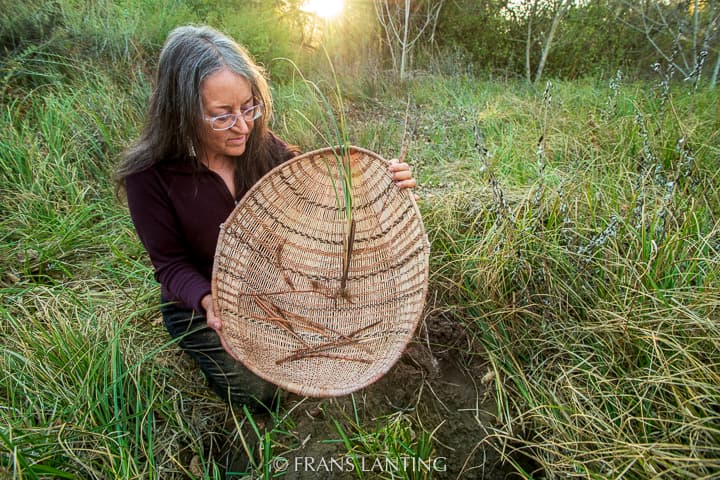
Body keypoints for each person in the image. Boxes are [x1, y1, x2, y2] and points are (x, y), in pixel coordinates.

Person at [115, 25, 417, 412]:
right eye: (221, 116)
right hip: (204, 303)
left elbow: (316, 190)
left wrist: (381, 181)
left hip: (276, 282)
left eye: (248, 107)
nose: (242, 126)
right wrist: (209, 300)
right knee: (260, 392)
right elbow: (170, 265)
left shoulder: (261, 145)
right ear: (181, 112)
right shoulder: (149, 176)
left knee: (348, 336)